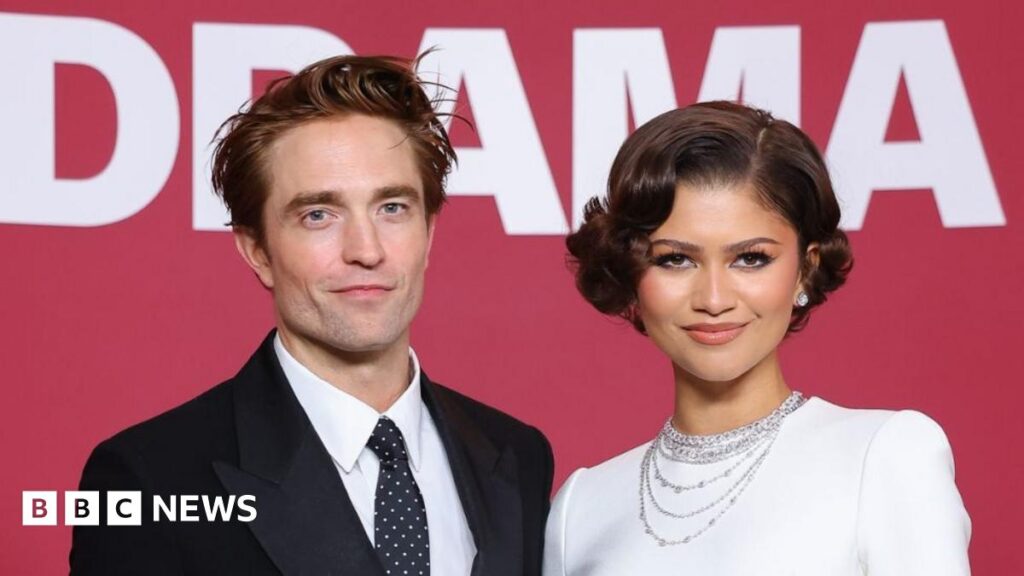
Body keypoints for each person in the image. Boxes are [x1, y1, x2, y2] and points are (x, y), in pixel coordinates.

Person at [70, 54, 553, 576]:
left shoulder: (518, 455)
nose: (366, 250)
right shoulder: (146, 477)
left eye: (392, 207)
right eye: (319, 215)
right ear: (257, 250)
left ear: (429, 233)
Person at [543, 101, 970, 575]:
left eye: (750, 258)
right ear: (632, 275)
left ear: (805, 269)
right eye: (674, 259)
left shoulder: (885, 456)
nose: (713, 297)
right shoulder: (579, 508)